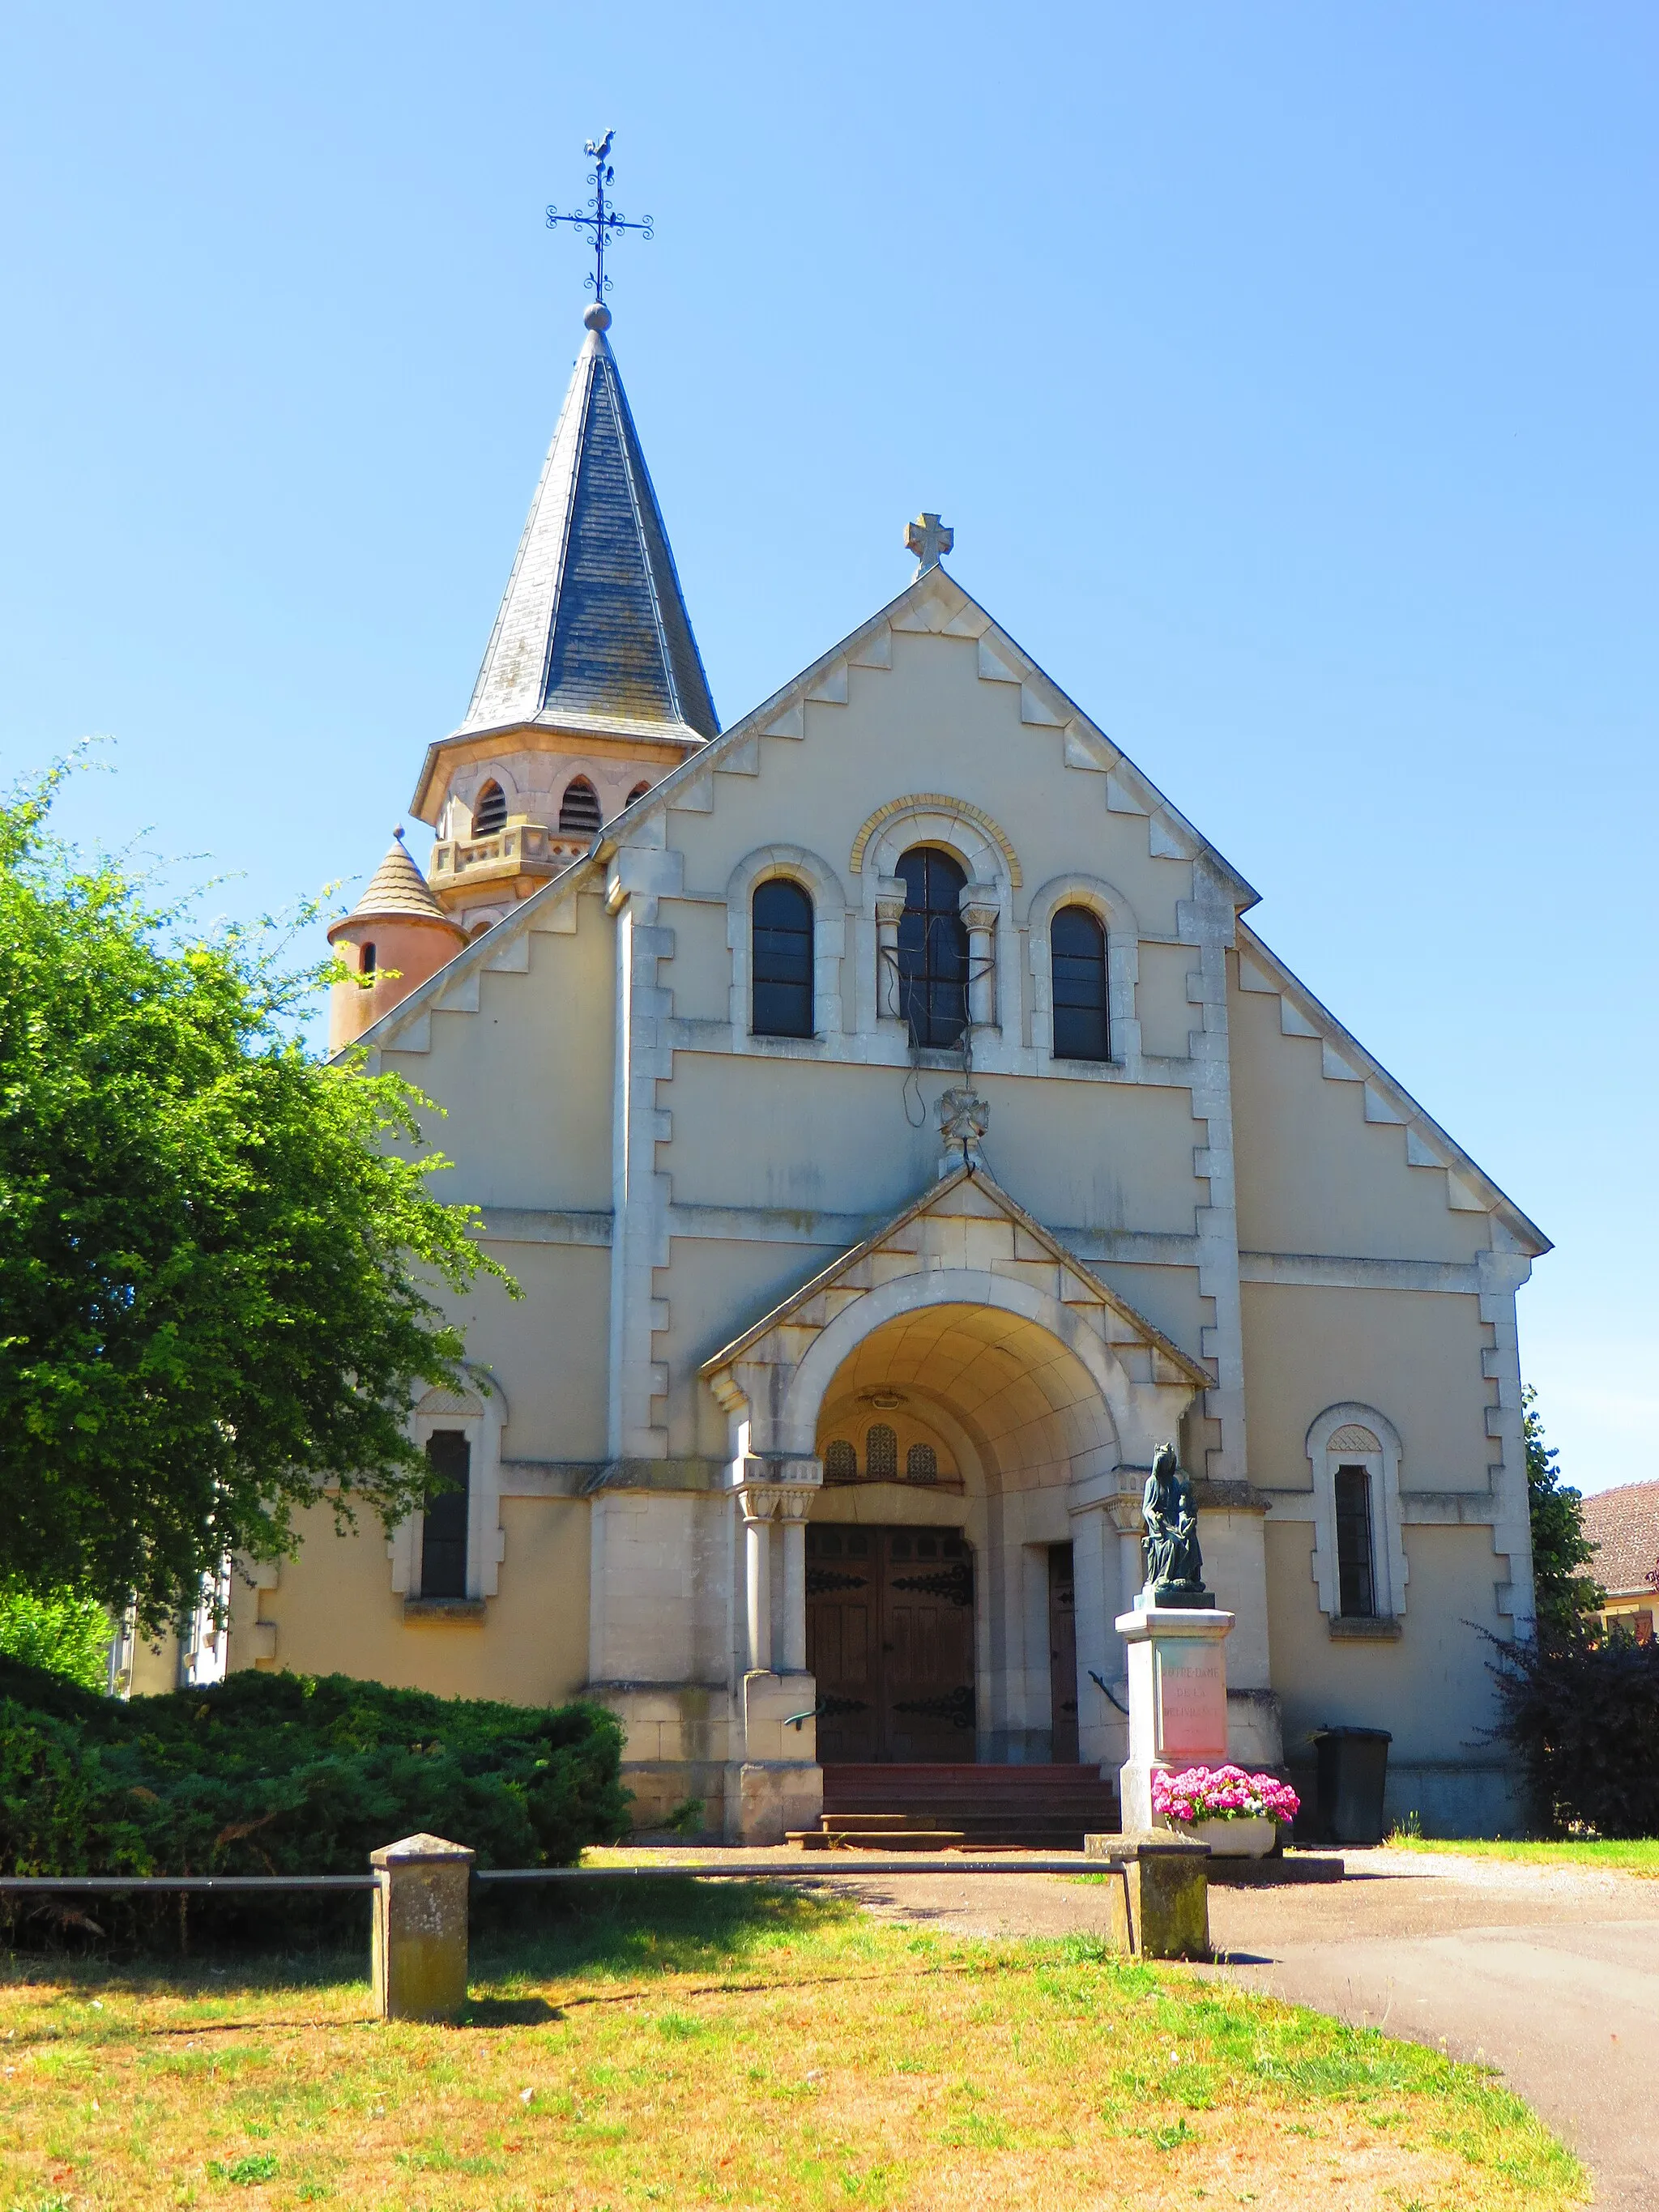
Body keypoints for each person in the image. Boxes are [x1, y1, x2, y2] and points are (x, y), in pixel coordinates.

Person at [1141, 1441, 1205, 1595]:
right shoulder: (1152, 1483)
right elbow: (1147, 1509)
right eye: (1164, 1462)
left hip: (1176, 1523)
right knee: (1173, 1542)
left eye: (1169, 1462)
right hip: (1161, 1527)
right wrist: (1155, 1518)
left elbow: (1181, 1505)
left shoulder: (1174, 1482)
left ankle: (1188, 1578)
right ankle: (1164, 1578)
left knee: (1191, 1541)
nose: (1167, 1465)